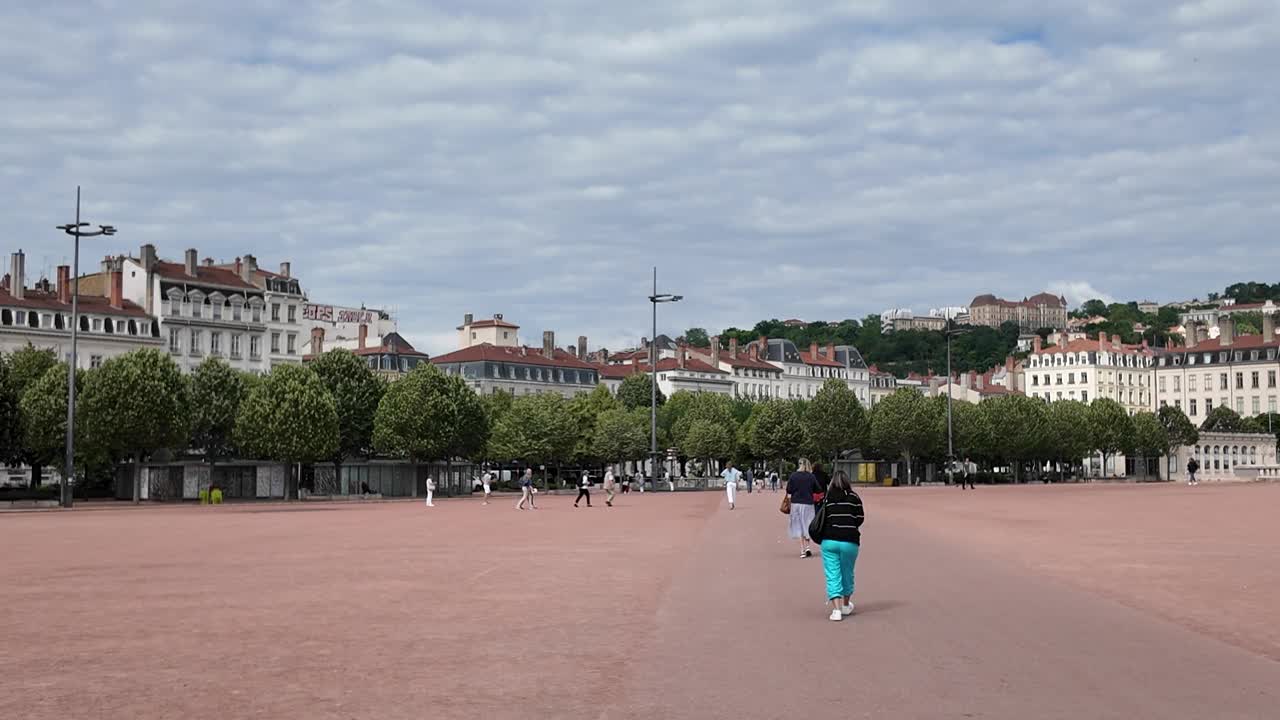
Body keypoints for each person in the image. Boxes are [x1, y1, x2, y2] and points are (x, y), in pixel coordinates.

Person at [815, 471, 865, 621]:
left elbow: (821, 517)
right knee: (847, 572)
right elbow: (860, 518)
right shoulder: (854, 497)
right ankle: (845, 604)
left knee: (832, 575)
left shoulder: (827, 499)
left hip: (829, 540)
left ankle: (836, 610)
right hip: (850, 541)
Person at [786, 459, 822, 557]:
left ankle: (802, 549)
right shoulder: (811, 476)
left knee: (799, 525)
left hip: (796, 503)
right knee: (808, 524)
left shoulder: (794, 476)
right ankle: (808, 547)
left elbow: (789, 489)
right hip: (808, 503)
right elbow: (818, 489)